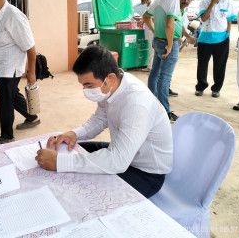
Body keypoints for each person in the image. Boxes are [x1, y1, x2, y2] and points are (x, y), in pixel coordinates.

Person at [35, 45, 173, 199]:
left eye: (89, 85)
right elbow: (100, 118)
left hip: (146, 173)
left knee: (84, 189)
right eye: (83, 85)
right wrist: (75, 134)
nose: (85, 90)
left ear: (110, 78)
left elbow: (118, 161)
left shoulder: (137, 104)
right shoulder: (113, 86)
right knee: (70, 148)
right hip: (125, 153)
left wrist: (60, 162)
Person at [0, 0, 40, 145]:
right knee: (13, 95)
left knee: (5, 102)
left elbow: (30, 48)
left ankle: (7, 136)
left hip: (10, 67)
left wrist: (31, 73)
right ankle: (32, 117)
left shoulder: (14, 16)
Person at [143, 0, 185, 122]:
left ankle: (152, 106)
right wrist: (168, 43)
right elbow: (169, 23)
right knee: (164, 78)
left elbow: (146, 17)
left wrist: (155, 32)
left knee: (154, 73)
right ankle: (165, 112)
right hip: (168, 43)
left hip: (157, 41)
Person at [195, 0, 236, 98]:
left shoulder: (228, 3)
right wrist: (212, 3)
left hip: (222, 39)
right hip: (205, 39)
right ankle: (201, 86)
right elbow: (203, 18)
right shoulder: (204, 2)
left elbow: (229, 21)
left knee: (220, 65)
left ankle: (216, 88)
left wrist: (227, 34)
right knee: (202, 65)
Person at [169, 0, 197, 97]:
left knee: (166, 69)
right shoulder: (174, 8)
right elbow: (169, 25)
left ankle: (164, 88)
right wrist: (173, 39)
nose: (186, 1)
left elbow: (178, 26)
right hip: (168, 41)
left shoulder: (183, 11)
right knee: (165, 70)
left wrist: (182, 37)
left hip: (174, 40)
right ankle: (162, 91)